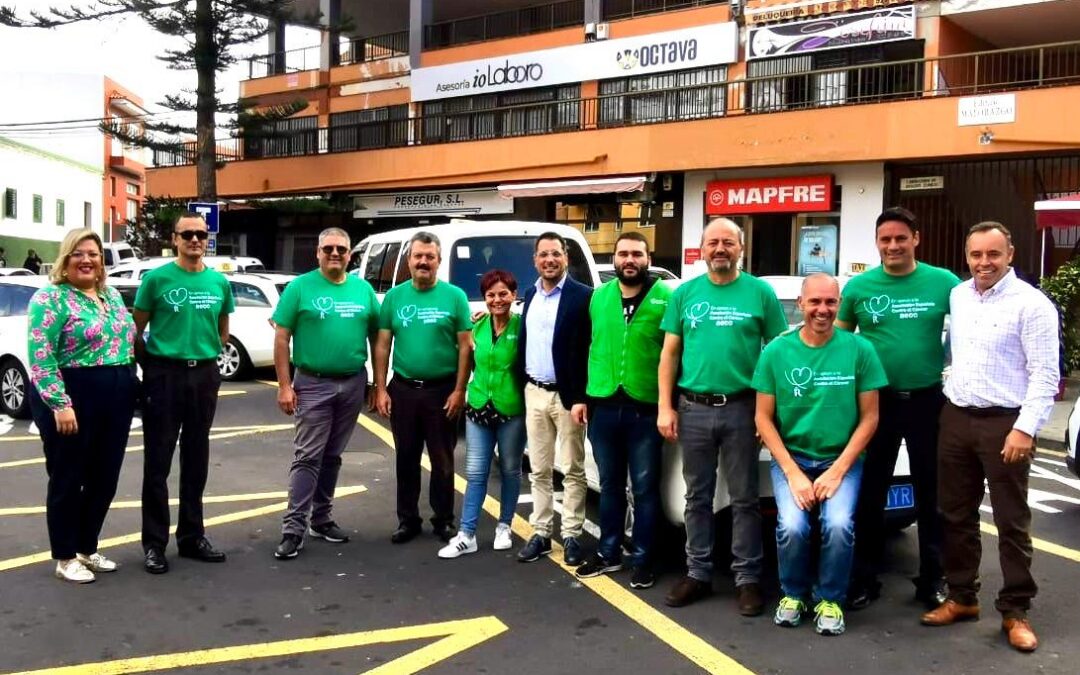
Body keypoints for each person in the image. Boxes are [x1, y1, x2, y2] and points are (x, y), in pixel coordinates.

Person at [921, 222, 1059, 653]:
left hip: (1006, 424)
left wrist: (1025, 428)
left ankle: (1015, 610)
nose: (984, 263)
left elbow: (1045, 375)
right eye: (976, 255)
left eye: (993, 254)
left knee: (1011, 521)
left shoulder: (1032, 305)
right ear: (967, 256)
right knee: (955, 515)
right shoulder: (959, 296)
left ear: (1010, 254)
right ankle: (963, 598)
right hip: (957, 417)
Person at [658, 218, 787, 615]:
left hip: (743, 409)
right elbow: (670, 354)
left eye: (728, 243)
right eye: (713, 242)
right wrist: (666, 405)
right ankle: (697, 573)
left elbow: (779, 353)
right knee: (696, 497)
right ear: (701, 249)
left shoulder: (760, 293)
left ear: (740, 249)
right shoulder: (686, 294)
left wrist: (771, 414)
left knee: (745, 498)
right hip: (693, 408)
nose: (720, 249)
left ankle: (747, 580)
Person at [838, 207, 960, 610]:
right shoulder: (858, 288)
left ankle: (933, 579)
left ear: (916, 239)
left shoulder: (944, 283)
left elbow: (970, 329)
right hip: (877, 404)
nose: (892, 246)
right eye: (885, 239)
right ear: (877, 243)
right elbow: (839, 345)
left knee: (933, 494)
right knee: (870, 493)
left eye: (900, 238)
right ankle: (864, 578)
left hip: (929, 402)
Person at [754, 273, 887, 636]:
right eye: (814, 302)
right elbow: (763, 419)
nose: (822, 310)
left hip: (841, 460)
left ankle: (830, 597)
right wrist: (794, 473)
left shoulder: (860, 350)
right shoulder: (776, 352)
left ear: (839, 305)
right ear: (801, 304)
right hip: (792, 458)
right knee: (793, 526)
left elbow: (870, 418)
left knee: (839, 525)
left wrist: (838, 469)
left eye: (830, 302)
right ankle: (793, 593)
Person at [27, 228, 137, 583]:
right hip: (73, 395)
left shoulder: (112, 296)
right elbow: (41, 356)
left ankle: (87, 547)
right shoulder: (51, 299)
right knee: (67, 477)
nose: (87, 260)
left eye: (93, 254)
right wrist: (60, 403)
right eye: (78, 253)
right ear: (65, 259)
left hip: (116, 394)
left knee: (105, 477)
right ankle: (64, 555)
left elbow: (129, 340)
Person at [134, 212, 235, 574]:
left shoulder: (219, 283)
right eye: (187, 234)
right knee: (157, 463)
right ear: (175, 239)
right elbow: (136, 330)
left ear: (207, 239)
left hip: (204, 375)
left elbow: (222, 331)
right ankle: (154, 544)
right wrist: (153, 367)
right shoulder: (156, 279)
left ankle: (192, 537)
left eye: (201, 234)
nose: (195, 240)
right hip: (164, 376)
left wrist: (203, 359)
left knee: (196, 460)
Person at [272, 228, 380, 560]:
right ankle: (293, 529)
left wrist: (377, 384)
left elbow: (378, 338)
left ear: (350, 255)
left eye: (342, 249)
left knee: (332, 456)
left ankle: (321, 519)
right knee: (307, 457)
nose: (335, 253)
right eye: (329, 248)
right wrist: (285, 385)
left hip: (352, 383)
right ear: (317, 252)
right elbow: (281, 337)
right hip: (312, 383)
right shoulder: (299, 287)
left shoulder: (363, 290)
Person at [573, 232, 672, 590]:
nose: (630, 260)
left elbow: (676, 354)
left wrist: (669, 405)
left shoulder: (667, 298)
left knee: (645, 488)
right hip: (603, 405)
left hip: (646, 408)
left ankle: (644, 559)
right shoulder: (599, 297)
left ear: (648, 258)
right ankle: (608, 552)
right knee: (610, 486)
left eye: (637, 254)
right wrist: (582, 396)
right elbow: (588, 348)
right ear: (614, 260)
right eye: (623, 254)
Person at [374, 232, 472, 544]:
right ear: (409, 261)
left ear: (439, 261)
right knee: (406, 457)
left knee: (443, 459)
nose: (423, 262)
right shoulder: (394, 297)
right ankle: (407, 520)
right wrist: (380, 389)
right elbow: (382, 345)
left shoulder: (455, 296)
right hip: (403, 389)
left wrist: (459, 391)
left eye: (430, 257)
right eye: (418, 256)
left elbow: (465, 348)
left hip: (442, 390)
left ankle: (443, 519)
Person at [515, 232, 592, 565]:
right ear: (535, 259)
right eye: (543, 254)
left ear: (565, 258)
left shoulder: (583, 296)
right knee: (539, 469)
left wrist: (582, 395)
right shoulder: (530, 294)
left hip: (568, 396)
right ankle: (542, 533)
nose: (549, 260)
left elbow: (591, 349)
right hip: (534, 392)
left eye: (556, 254)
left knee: (573, 470)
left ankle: (572, 534)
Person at [438, 269, 525, 559]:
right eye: (491, 295)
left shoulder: (522, 327)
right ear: (484, 298)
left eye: (503, 294)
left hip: (511, 408)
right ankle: (467, 535)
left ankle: (504, 526)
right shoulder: (477, 326)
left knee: (511, 470)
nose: (497, 300)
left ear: (513, 295)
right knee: (476, 473)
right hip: (478, 407)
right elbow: (467, 359)